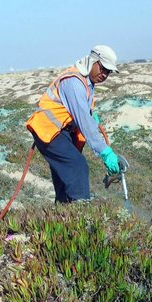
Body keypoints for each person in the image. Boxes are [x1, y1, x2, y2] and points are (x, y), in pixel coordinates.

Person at [25, 45, 121, 203]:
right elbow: (84, 121)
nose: (105, 74)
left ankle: (63, 216)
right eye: (103, 68)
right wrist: (105, 153)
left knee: (64, 176)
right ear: (93, 61)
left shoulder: (86, 82)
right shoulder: (74, 82)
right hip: (49, 130)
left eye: (108, 72)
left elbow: (82, 114)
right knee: (77, 166)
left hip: (61, 132)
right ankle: (80, 215)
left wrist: (91, 116)